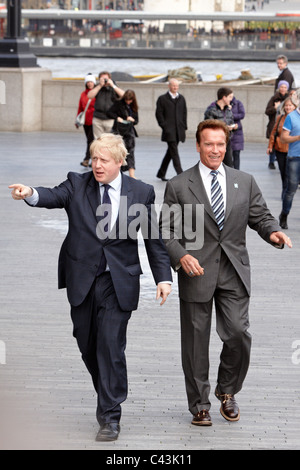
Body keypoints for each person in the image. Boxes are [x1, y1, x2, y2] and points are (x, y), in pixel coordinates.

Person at [9, 133, 172, 442]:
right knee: (88, 345)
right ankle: (108, 391)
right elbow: (51, 196)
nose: (97, 165)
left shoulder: (141, 192)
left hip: (119, 280)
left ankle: (110, 416)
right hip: (82, 278)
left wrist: (163, 277)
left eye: (104, 160)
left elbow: (153, 239)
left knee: (110, 345)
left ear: (120, 162)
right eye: (94, 158)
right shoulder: (77, 183)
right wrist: (29, 192)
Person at [160, 119, 292, 427]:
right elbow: (165, 230)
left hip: (234, 270)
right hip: (196, 272)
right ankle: (199, 405)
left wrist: (273, 233)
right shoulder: (179, 185)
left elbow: (260, 216)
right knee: (195, 343)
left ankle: (227, 391)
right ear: (198, 146)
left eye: (221, 144)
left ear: (227, 146)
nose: (216, 150)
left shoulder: (243, 181)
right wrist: (181, 256)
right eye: (209, 144)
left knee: (237, 334)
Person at [155, 78, 187, 181]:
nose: (175, 88)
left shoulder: (181, 98)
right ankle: (180, 173)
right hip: (169, 130)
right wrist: (164, 126)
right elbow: (159, 114)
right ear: (169, 86)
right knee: (174, 152)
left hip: (179, 130)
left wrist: (184, 126)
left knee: (170, 152)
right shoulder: (162, 99)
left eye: (177, 86)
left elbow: (184, 113)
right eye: (173, 86)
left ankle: (161, 173)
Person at [267, 96, 297, 197]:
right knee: (283, 172)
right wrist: (270, 146)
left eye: (290, 105)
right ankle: (285, 189)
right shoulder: (280, 118)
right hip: (280, 149)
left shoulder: (297, 118)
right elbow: (273, 132)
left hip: (293, 150)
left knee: (290, 173)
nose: (288, 107)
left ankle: (287, 190)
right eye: (286, 106)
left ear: (294, 106)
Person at [279, 92, 300, 230]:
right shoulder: (291, 117)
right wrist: (298, 138)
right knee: (291, 189)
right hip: (294, 158)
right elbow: (283, 138)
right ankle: (284, 214)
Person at [107, 89, 139, 179]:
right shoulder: (119, 104)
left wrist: (132, 119)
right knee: (118, 152)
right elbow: (109, 112)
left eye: (130, 100)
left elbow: (136, 120)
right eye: (127, 100)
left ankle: (131, 174)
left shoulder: (133, 106)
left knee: (131, 152)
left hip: (129, 131)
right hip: (119, 130)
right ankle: (117, 173)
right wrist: (118, 118)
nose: (128, 102)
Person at [204, 87, 237, 167]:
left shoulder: (228, 111)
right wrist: (225, 128)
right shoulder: (211, 111)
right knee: (214, 166)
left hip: (226, 142)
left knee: (229, 166)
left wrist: (234, 127)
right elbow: (208, 128)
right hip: (214, 144)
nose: (231, 100)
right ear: (224, 97)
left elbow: (231, 122)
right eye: (230, 97)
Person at [87, 71, 125, 139]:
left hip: (110, 119)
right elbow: (89, 96)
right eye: (102, 79)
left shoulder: (113, 88)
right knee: (98, 140)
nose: (105, 81)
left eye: (106, 79)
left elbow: (124, 95)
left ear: (110, 79)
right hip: (98, 118)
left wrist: (113, 85)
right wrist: (100, 85)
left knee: (109, 140)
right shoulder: (98, 87)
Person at [265, 81, 289, 169]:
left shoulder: (289, 99)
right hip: (275, 123)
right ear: (279, 88)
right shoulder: (274, 98)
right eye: (281, 87)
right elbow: (267, 111)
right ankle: (271, 162)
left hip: (286, 124)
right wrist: (275, 108)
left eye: (285, 87)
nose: (283, 89)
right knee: (274, 140)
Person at [75, 73, 96, 168]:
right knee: (89, 140)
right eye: (88, 82)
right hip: (85, 121)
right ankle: (90, 159)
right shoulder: (83, 94)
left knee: (91, 141)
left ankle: (87, 159)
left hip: (94, 120)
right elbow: (80, 107)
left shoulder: (96, 93)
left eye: (91, 82)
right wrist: (77, 120)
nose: (89, 84)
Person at [230, 95, 245, 170]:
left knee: (236, 153)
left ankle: (236, 172)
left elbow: (242, 114)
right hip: (227, 131)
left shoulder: (238, 103)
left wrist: (231, 115)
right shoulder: (222, 105)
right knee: (227, 155)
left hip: (237, 131)